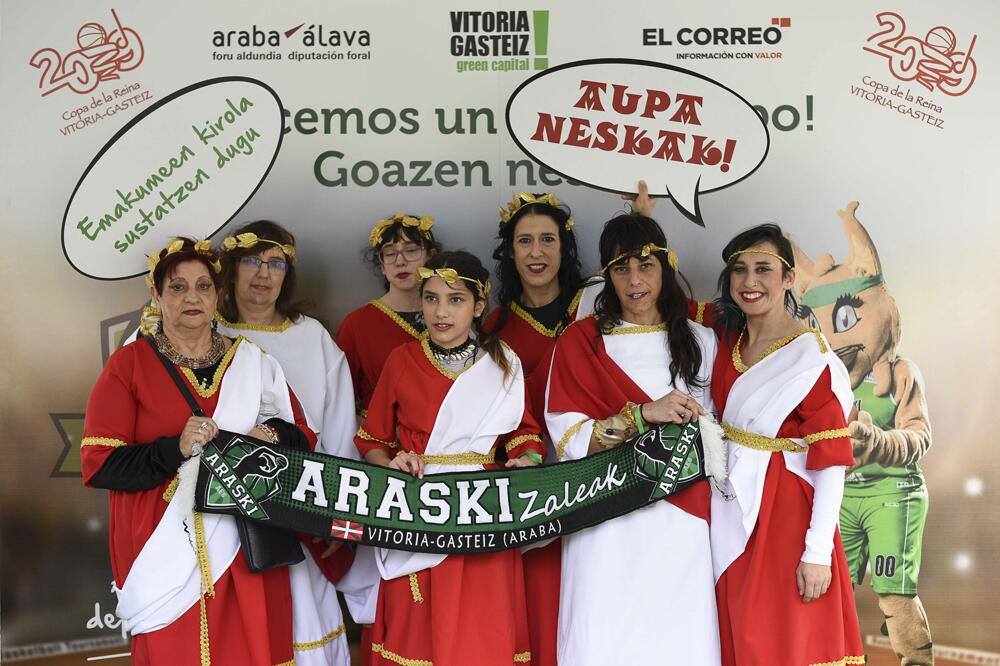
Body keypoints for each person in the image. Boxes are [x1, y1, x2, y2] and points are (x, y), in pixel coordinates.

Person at [81, 237, 317, 665]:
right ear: (156, 295)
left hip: (246, 547)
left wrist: (270, 435)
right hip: (165, 552)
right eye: (177, 287)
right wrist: (175, 448)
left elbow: (303, 438)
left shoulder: (254, 362)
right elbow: (100, 465)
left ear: (218, 294)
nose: (192, 297)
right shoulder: (129, 366)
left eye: (203, 286)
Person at [544, 214, 720, 665]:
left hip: (680, 516)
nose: (634, 280)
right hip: (602, 517)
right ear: (607, 275)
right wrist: (642, 415)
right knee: (602, 634)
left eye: (645, 265)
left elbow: (717, 432)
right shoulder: (580, 342)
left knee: (677, 637)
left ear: (665, 266)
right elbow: (570, 441)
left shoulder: (701, 340)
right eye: (621, 268)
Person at [355, 251, 544, 666]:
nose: (441, 312)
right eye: (431, 299)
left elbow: (524, 433)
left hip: (484, 511)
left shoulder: (503, 362)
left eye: (455, 299)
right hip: (419, 506)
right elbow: (372, 440)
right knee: (418, 632)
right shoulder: (402, 359)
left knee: (481, 628)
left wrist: (527, 459)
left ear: (478, 306)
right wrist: (391, 464)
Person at [707, 224, 864, 665]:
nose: (750, 281)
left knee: (784, 640)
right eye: (740, 269)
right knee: (740, 635)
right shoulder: (727, 340)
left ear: (789, 278)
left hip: (786, 520)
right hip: (729, 508)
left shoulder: (811, 358)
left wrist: (817, 553)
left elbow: (831, 463)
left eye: (764, 269)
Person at [217, 220, 356, 666]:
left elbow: (339, 429)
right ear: (231, 269)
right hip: (224, 508)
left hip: (303, 505)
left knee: (303, 617)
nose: (264, 273)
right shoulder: (208, 332)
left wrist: (336, 513)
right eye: (252, 261)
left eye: (275, 263)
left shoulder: (311, 336)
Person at [483, 192, 584, 666]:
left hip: (597, 476)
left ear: (565, 248)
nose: (536, 252)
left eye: (548, 239)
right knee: (540, 605)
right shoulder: (494, 327)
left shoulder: (595, 308)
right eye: (525, 241)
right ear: (510, 251)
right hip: (532, 485)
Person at [336, 212, 440, 417]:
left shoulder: (450, 317)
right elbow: (340, 403)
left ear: (431, 256)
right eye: (390, 253)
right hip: (379, 434)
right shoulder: (358, 324)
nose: (400, 261)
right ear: (382, 265)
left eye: (411, 250)